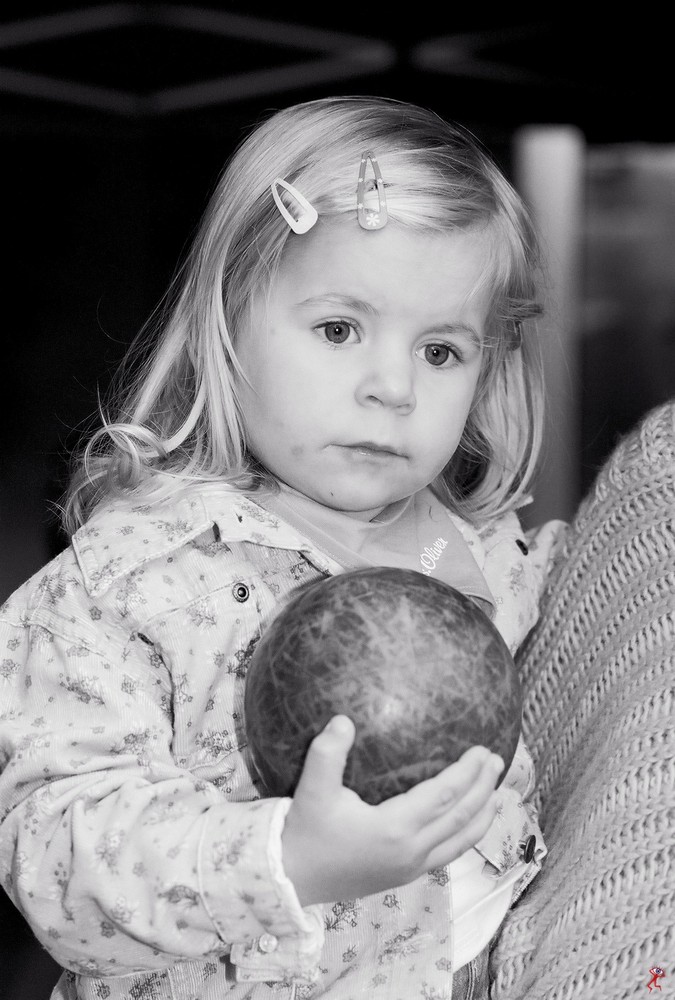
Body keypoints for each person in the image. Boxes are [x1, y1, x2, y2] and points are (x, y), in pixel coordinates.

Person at [0, 95, 566, 1000]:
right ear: (227, 324)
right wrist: (285, 859)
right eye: (339, 329)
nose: (391, 387)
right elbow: (54, 863)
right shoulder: (123, 586)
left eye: (441, 351)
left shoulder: (485, 556)